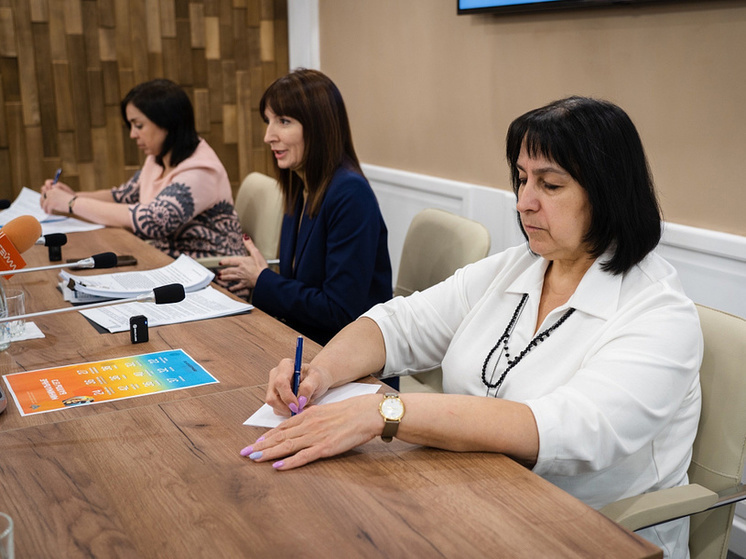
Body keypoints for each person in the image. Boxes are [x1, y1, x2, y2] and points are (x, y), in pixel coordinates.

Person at [241, 97, 703, 558]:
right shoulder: (521, 264)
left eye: (551, 185)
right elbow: (399, 324)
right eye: (522, 179)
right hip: (472, 499)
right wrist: (320, 374)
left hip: (585, 535)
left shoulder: (660, 313)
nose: (524, 202)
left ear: (608, 194)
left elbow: (563, 429)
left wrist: (384, 414)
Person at [218, 69, 392, 347]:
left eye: (283, 121)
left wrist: (263, 281)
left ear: (318, 127)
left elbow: (340, 312)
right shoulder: (300, 185)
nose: (268, 136)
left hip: (352, 360)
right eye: (268, 121)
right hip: (306, 343)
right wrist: (259, 280)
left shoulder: (351, 194)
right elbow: (306, 286)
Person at [40, 79, 244, 260]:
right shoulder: (157, 159)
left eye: (138, 125)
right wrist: (70, 196)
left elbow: (153, 220)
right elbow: (122, 196)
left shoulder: (201, 170)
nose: (132, 135)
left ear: (168, 123)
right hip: (168, 263)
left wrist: (72, 203)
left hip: (214, 275)